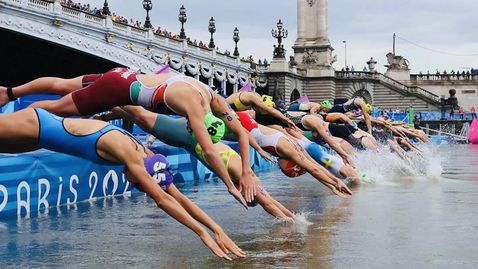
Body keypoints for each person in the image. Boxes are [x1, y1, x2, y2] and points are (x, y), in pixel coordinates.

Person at [0, 108, 244, 260]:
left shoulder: (146, 155)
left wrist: (217, 229)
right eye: (139, 185)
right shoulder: (128, 152)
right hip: (36, 126)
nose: (135, 186)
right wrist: (202, 233)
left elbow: (178, 197)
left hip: (40, 139)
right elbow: (162, 200)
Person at [0, 69, 259, 206]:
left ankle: (9, 93)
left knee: (62, 84)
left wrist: (246, 171)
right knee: (56, 110)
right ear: (198, 124)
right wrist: (230, 186)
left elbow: (240, 132)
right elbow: (211, 152)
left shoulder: (211, 96)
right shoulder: (193, 110)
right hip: (115, 91)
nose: (190, 129)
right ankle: (16, 120)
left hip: (122, 74)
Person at [104, 105, 295, 221]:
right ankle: (107, 103)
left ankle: (105, 114)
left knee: (139, 116)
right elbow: (267, 203)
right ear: (247, 194)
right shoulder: (243, 178)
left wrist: (292, 216)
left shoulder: (248, 177)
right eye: (245, 197)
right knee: (140, 115)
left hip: (187, 135)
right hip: (185, 136)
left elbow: (270, 201)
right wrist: (291, 223)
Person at [234, 111, 353, 198]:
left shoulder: (293, 148)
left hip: (247, 122)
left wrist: (332, 184)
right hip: (243, 121)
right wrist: (335, 183)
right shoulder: (288, 150)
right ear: (290, 163)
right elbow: (314, 170)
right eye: (283, 169)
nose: (280, 167)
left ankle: (355, 177)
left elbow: (315, 168)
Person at [225, 91, 296, 129]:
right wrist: (286, 119)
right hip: (221, 110)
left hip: (225, 110)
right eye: (260, 111)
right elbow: (269, 109)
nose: (257, 112)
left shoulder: (249, 97)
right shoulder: (253, 97)